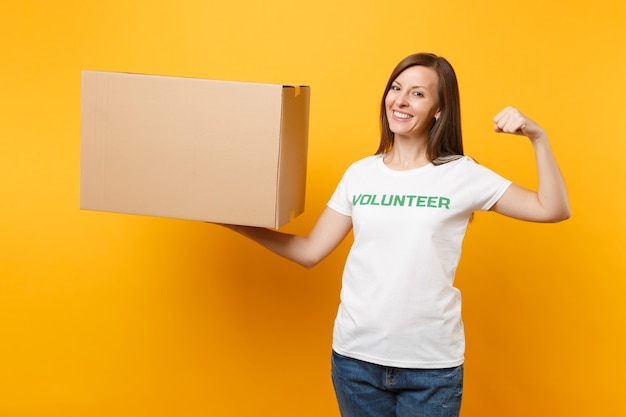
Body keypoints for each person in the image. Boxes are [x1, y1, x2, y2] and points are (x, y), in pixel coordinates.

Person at [220, 53, 571, 417]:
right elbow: (310, 251)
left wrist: (538, 137)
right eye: (396, 88)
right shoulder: (360, 174)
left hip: (431, 367)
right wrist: (238, 224)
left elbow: (553, 209)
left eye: (418, 94)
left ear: (439, 109)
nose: (400, 100)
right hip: (356, 361)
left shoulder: (462, 175)